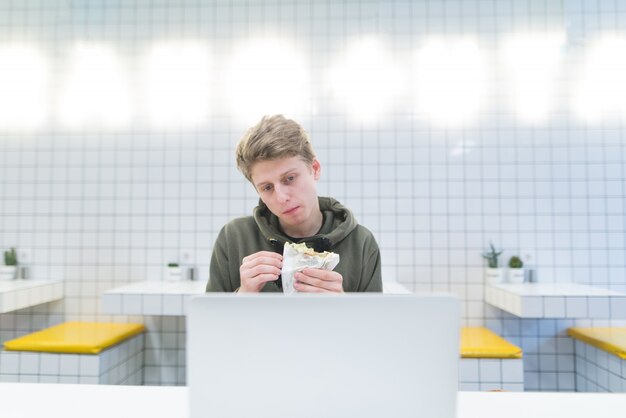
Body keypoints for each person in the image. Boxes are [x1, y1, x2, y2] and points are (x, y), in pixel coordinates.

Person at [206, 115, 382, 293]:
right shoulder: (235, 238)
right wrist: (243, 295)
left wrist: (343, 307)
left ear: (314, 169)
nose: (281, 197)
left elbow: (375, 321)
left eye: (289, 178)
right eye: (267, 187)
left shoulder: (361, 243)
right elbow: (207, 319)